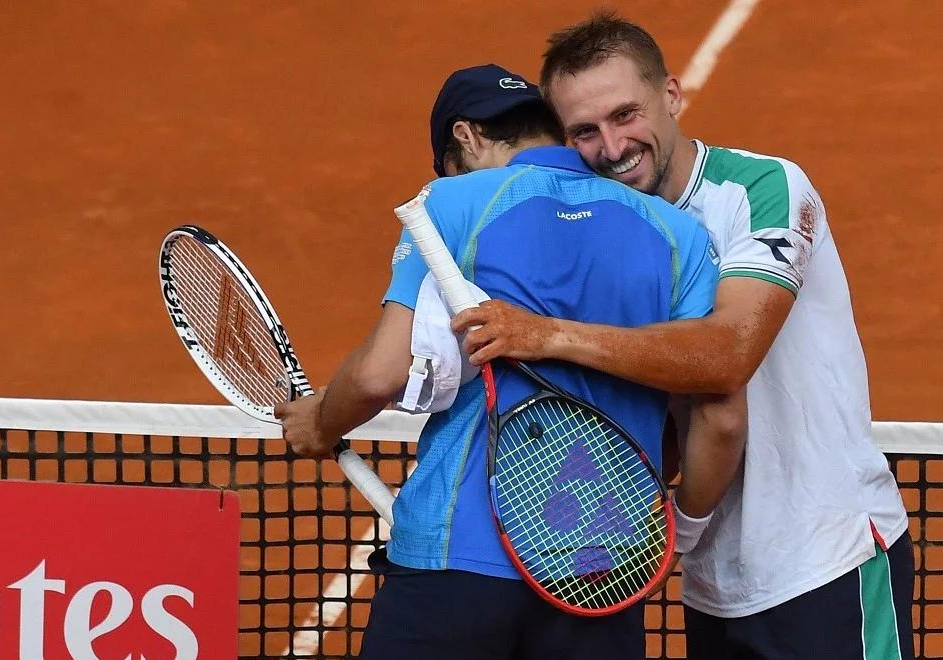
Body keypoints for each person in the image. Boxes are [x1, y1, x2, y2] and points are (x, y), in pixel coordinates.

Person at [450, 14, 915, 660]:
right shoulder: (604, 231)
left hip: (825, 563)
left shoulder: (761, 191)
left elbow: (726, 358)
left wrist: (548, 335)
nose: (611, 147)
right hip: (714, 588)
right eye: (585, 131)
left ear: (670, 97)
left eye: (625, 115)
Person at [276, 63, 744, 660]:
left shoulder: (450, 204)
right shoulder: (681, 235)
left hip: (453, 563)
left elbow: (377, 375)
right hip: (603, 570)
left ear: (464, 140)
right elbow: (717, 420)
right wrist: (672, 523)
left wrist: (321, 423)